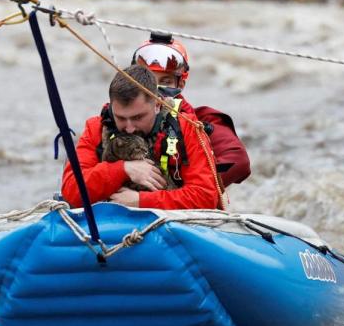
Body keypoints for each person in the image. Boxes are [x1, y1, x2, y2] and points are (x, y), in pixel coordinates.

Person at [60, 64, 221, 210]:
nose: (129, 128)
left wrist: (141, 201)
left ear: (157, 105)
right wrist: (122, 169)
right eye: (121, 118)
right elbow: (72, 191)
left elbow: (206, 197)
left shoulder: (187, 128)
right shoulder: (96, 128)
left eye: (138, 117)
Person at [132, 32, 251, 187]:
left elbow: (239, 162)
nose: (155, 90)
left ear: (180, 84)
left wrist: (193, 188)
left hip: (183, 199)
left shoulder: (203, 120)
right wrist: (122, 169)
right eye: (148, 81)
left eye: (165, 81)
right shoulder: (119, 116)